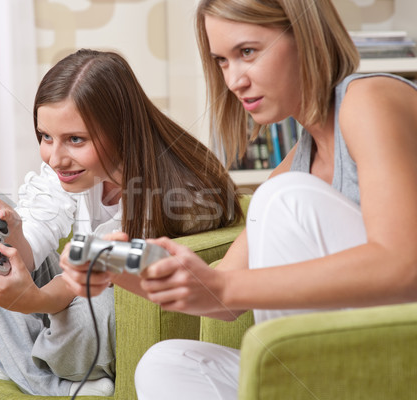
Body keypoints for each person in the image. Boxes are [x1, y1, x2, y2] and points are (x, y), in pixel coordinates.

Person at [59, 1, 417, 399]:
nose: (234, 81)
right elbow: (220, 298)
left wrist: (225, 286)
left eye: (247, 52)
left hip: (399, 357)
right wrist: (114, 269)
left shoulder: (370, 100)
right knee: (166, 364)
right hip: (340, 367)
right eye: (221, 61)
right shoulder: (295, 166)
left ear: (306, 36)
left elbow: (404, 265)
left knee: (281, 197)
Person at [0, 48, 244, 397]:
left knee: (100, 309)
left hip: (100, 297)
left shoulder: (177, 197)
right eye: (46, 137)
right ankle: (35, 371)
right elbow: (39, 245)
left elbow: (88, 277)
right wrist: (15, 232)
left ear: (121, 130)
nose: (56, 158)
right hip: (69, 293)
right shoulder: (69, 172)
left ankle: (21, 367)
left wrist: (34, 301)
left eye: (75, 139)